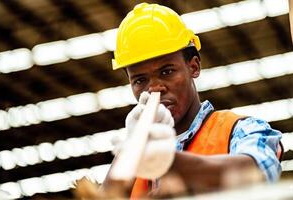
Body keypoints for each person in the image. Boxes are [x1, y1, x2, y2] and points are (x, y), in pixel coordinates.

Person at [108, 2, 283, 198]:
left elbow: (258, 171)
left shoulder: (241, 129)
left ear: (193, 67)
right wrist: (132, 148)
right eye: (140, 80)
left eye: (167, 71)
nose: (155, 88)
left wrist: (167, 160)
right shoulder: (132, 157)